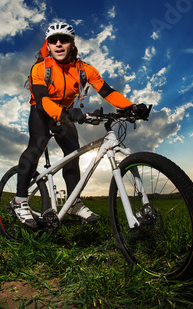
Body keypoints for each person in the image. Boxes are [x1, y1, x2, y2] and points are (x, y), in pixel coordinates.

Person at [12, 21, 141, 228]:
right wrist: (65, 113)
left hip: (66, 114)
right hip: (42, 111)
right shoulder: (40, 68)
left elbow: (107, 91)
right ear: (48, 45)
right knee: (36, 146)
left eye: (64, 39)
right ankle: (20, 200)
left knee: (73, 154)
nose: (59, 44)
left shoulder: (84, 69)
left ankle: (73, 202)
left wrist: (132, 107)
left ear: (72, 43)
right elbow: (42, 99)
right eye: (54, 40)